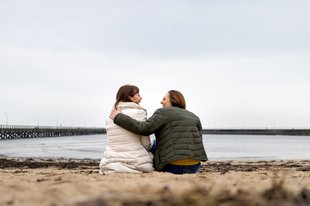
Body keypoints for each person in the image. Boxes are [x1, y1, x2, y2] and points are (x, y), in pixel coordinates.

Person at [110, 90, 208, 174]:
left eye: (164, 99)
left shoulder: (163, 112)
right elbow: (198, 139)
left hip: (171, 164)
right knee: (155, 144)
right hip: (193, 165)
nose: (161, 102)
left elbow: (144, 129)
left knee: (149, 145)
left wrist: (119, 117)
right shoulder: (194, 116)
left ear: (173, 99)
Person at [99, 85, 154, 174]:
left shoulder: (110, 116)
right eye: (138, 95)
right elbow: (146, 143)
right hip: (134, 161)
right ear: (130, 97)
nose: (141, 98)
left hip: (110, 161)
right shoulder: (139, 113)